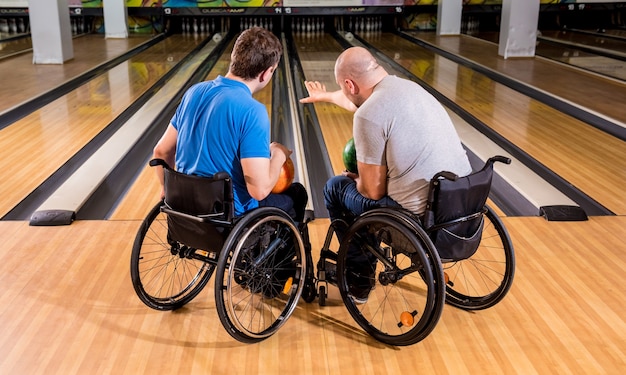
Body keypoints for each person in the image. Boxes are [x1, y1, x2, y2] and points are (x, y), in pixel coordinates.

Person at [300, 46, 471, 302]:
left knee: (336, 188)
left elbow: (372, 191)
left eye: (343, 87)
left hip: (417, 219)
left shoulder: (369, 114)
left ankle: (359, 279)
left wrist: (355, 178)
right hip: (462, 206)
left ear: (350, 84)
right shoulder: (410, 89)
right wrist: (327, 96)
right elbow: (359, 102)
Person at [153, 27, 307, 222]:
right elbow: (259, 191)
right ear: (266, 73)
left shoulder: (194, 92)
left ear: (234, 57)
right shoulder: (253, 111)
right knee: (297, 194)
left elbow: (160, 152)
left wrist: (166, 188)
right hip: (228, 217)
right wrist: (278, 154)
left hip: (184, 209)